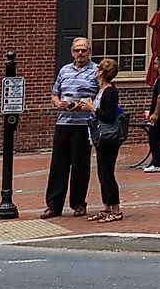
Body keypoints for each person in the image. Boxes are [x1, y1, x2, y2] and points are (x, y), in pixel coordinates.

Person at [45, 35, 99, 218]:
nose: (80, 53)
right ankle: (54, 205)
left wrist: (84, 105)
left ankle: (78, 203)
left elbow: (100, 97)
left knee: (80, 166)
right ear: (72, 52)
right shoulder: (64, 70)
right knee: (58, 165)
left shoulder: (96, 71)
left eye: (84, 49)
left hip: (84, 125)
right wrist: (58, 103)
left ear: (89, 51)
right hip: (63, 122)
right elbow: (54, 94)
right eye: (77, 50)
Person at [87, 57, 127, 222]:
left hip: (109, 137)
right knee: (102, 172)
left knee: (108, 172)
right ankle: (106, 206)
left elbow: (109, 116)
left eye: (98, 69)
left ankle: (116, 209)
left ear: (102, 72)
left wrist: (92, 109)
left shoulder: (110, 91)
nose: (95, 72)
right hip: (101, 136)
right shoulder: (101, 89)